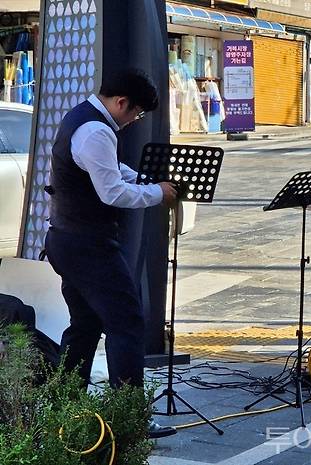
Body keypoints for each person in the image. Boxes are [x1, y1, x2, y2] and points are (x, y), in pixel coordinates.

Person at [45, 68, 179, 438]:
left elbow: (107, 170)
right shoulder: (97, 130)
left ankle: (63, 404)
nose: (133, 121)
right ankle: (129, 415)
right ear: (121, 102)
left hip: (66, 239)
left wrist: (141, 178)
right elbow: (111, 193)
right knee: (126, 322)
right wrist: (158, 194)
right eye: (135, 114)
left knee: (85, 325)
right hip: (88, 244)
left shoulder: (81, 118)